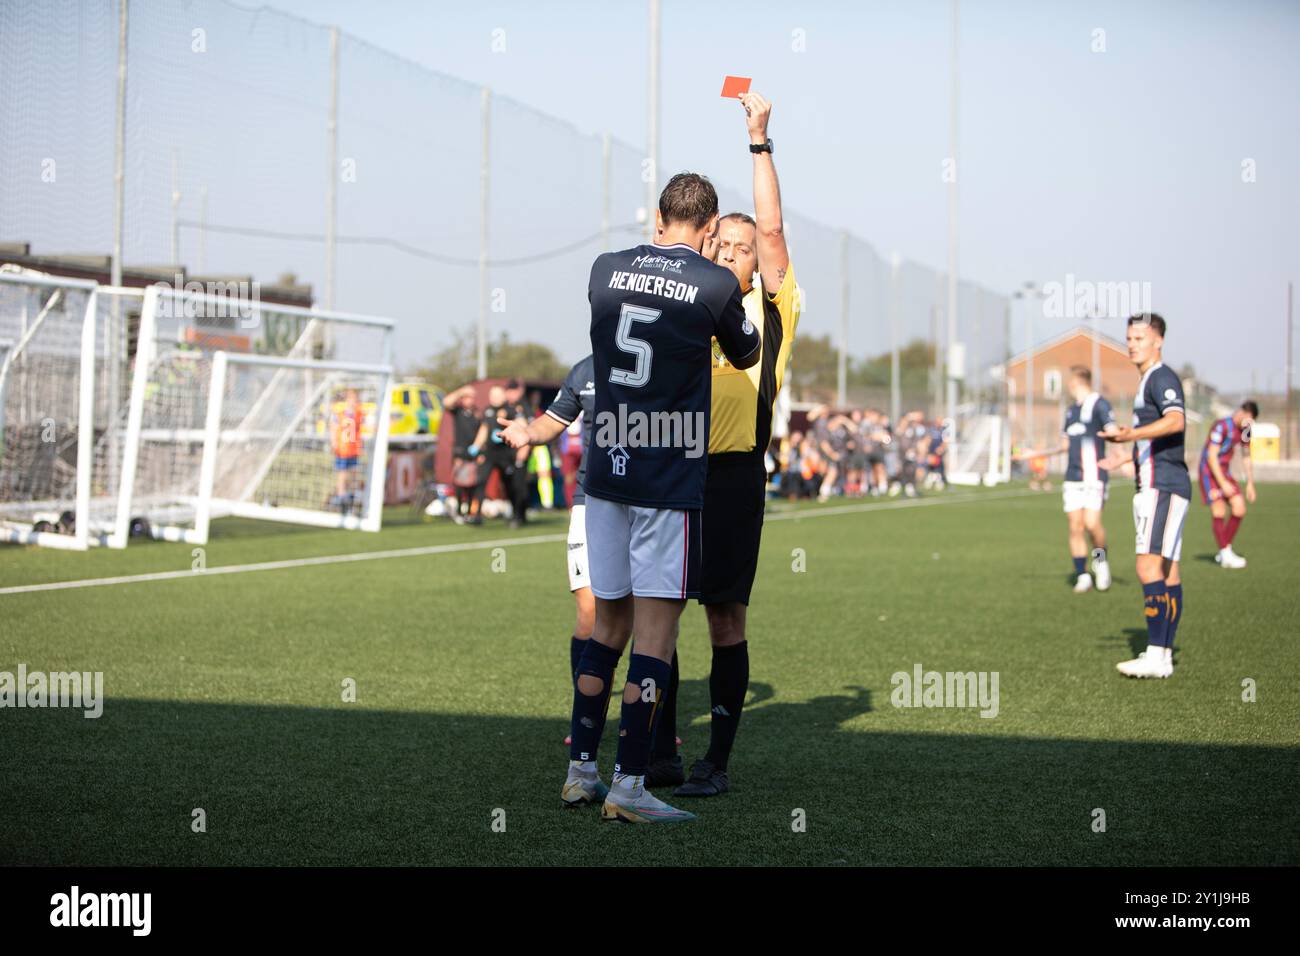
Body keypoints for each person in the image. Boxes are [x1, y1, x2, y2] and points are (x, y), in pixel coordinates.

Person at [504, 172, 760, 823]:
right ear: (708, 232)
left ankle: (580, 771)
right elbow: (746, 349)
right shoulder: (715, 282)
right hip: (666, 476)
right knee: (656, 631)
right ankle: (629, 785)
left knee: (606, 625)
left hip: (603, 477)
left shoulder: (605, 268)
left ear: (656, 219)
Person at [646, 90, 800, 799]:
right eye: (724, 245)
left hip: (734, 480)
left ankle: (718, 762)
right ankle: (663, 753)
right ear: (706, 245)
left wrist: (758, 140)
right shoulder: (683, 303)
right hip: (673, 473)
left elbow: (771, 231)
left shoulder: (769, 309)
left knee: (724, 616)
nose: (737, 255)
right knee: (662, 611)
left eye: (745, 249)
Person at [495, 355, 598, 736]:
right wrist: (527, 431)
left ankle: (657, 723)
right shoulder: (583, 372)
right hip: (591, 502)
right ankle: (586, 716)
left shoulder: (663, 357)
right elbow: (552, 421)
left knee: (650, 614)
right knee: (588, 610)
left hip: (645, 502)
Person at [1103, 314, 1190, 679]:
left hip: (1163, 487)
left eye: (1140, 336)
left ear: (1158, 341)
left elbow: (1176, 421)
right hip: (1160, 483)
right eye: (1129, 337)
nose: (1132, 343)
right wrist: (1128, 456)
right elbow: (1160, 438)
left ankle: (1155, 654)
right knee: (1168, 573)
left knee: (1146, 567)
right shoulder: (1146, 381)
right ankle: (1163, 655)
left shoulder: (1160, 377)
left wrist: (1129, 437)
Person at [1013, 367, 1117, 592]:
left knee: (1092, 525)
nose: (1068, 385)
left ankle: (1100, 562)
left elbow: (1114, 433)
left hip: (1095, 476)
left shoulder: (1100, 404)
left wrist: (1123, 458)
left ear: (1078, 382)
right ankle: (1082, 575)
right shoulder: (1071, 412)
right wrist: (1034, 454)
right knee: (1075, 527)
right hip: (1073, 477)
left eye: (1071, 381)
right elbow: (1064, 446)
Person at [1198, 400, 1258, 568]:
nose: (1249, 423)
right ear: (1242, 413)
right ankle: (1225, 554)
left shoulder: (1246, 430)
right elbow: (1211, 456)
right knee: (1219, 509)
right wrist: (1222, 483)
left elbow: (1246, 455)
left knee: (1239, 507)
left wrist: (1250, 483)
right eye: (1248, 419)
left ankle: (1224, 550)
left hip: (1224, 471)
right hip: (1209, 472)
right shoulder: (1221, 426)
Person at [469, 384, 531, 528]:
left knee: (511, 485)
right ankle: (476, 514)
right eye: (492, 395)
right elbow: (484, 429)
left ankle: (516, 515)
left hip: (506, 454)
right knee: (481, 481)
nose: (494, 398)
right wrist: (476, 446)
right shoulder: (488, 411)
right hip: (490, 453)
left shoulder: (512, 410)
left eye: (497, 395)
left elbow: (523, 427)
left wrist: (523, 449)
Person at [329, 388, 364, 515]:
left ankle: (350, 498)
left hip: (353, 449)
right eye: (352, 398)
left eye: (355, 398)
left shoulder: (358, 413)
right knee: (343, 474)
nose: (354, 401)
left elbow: (360, 429)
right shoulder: (340, 413)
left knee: (354, 474)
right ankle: (341, 497)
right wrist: (333, 442)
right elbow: (333, 427)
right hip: (342, 448)